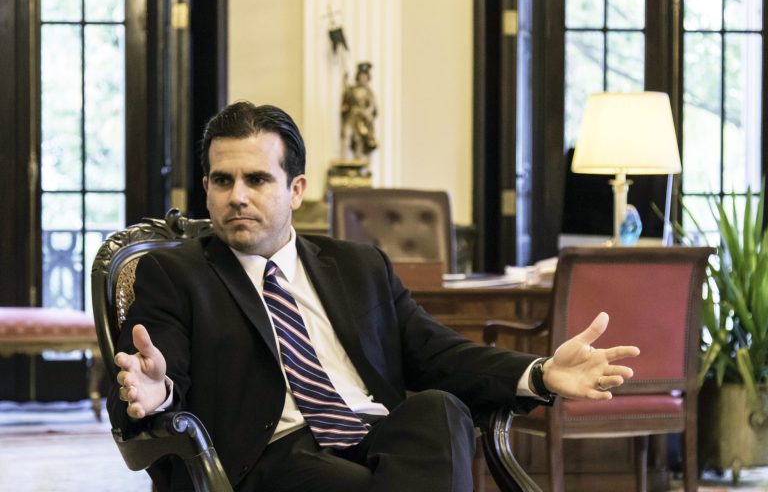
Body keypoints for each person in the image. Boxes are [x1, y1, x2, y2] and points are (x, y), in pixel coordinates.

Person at [109, 101, 640, 492]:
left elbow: (437, 353)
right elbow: (154, 374)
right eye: (222, 181)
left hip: (375, 434)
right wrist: (158, 393)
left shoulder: (357, 264)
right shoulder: (174, 273)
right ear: (206, 188)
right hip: (271, 453)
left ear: (295, 189)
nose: (237, 196)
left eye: (257, 179)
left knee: (439, 409)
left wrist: (541, 372)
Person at [341, 62, 378, 159]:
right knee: (346, 133)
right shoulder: (353, 90)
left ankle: (358, 157)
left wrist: (367, 112)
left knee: (359, 139)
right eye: (361, 76)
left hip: (362, 119)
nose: (363, 79)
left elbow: (372, 106)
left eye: (365, 77)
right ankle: (344, 157)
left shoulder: (368, 92)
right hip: (352, 117)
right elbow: (347, 95)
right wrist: (345, 80)